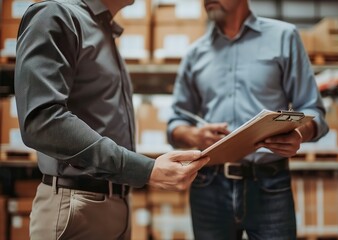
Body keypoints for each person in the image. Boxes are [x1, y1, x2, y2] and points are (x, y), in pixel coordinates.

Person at [14, 0, 210, 239]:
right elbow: (42, 121)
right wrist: (144, 170)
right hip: (77, 204)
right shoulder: (57, 15)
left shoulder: (102, 29)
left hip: (115, 202)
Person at [167, 0, 329, 239]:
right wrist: (194, 135)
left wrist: (299, 134)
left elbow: (313, 109)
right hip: (209, 186)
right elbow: (174, 123)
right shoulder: (194, 54)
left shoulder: (284, 37)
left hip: (269, 183)